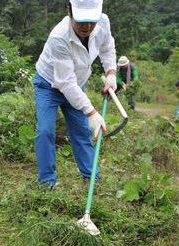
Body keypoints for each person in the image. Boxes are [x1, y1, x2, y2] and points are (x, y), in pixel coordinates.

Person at [33, 0, 117, 187]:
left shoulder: (103, 22)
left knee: (81, 131)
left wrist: (111, 71)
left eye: (91, 21)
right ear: (69, 11)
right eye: (81, 21)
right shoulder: (59, 36)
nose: (87, 26)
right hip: (49, 85)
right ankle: (47, 183)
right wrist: (91, 112)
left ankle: (92, 178)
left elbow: (107, 47)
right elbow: (65, 82)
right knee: (45, 131)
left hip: (76, 85)